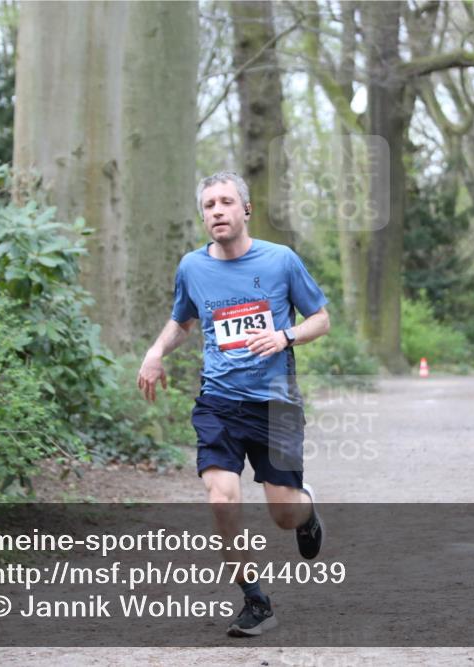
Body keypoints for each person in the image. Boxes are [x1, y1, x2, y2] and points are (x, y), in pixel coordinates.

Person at [137, 171, 330, 637]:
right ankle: (255, 600)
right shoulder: (192, 267)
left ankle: (306, 511)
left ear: (246, 210)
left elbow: (321, 319)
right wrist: (156, 351)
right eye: (209, 205)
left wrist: (285, 335)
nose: (217, 211)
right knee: (221, 498)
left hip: (277, 405)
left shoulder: (281, 260)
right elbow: (182, 321)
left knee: (283, 513)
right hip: (219, 403)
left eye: (226, 202)